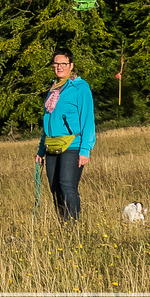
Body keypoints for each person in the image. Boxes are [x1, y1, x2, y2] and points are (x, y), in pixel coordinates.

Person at [35, 49, 95, 221]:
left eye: (63, 64)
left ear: (71, 65)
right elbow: (47, 121)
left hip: (73, 145)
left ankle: (72, 228)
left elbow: (87, 119)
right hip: (52, 145)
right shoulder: (53, 88)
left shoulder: (80, 87)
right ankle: (63, 227)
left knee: (67, 186)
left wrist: (85, 149)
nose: (59, 67)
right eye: (56, 63)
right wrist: (41, 149)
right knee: (55, 188)